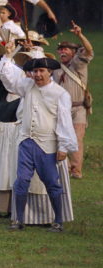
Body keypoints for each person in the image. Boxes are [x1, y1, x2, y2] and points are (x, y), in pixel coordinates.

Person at [0, 44, 78, 232]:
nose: (38, 75)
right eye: (35, 71)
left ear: (50, 72)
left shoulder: (60, 94)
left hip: (47, 144)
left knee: (51, 182)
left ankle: (58, 221)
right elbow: (8, 79)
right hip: (26, 141)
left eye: (41, 71)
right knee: (21, 181)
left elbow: (64, 121)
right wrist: (8, 55)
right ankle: (18, 220)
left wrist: (64, 147)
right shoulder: (27, 86)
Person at [53, 21, 94, 179]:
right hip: (61, 109)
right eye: (60, 49)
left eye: (65, 49)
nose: (62, 52)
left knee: (76, 139)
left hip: (78, 108)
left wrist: (79, 35)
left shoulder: (78, 63)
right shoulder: (55, 68)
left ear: (74, 52)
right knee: (60, 138)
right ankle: (66, 167)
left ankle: (76, 170)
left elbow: (89, 49)